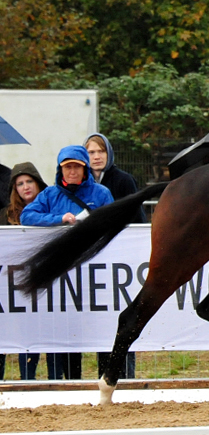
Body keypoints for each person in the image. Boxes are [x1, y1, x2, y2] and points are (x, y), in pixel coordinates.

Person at [21, 145, 114, 380]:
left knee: (102, 328)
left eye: (77, 167)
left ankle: (109, 379)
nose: (72, 171)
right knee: (66, 328)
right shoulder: (50, 195)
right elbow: (27, 216)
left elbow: (113, 222)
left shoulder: (101, 193)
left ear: (85, 169)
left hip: (95, 271)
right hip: (62, 274)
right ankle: (71, 381)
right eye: (67, 167)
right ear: (60, 169)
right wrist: (59, 219)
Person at [84, 133, 142, 378]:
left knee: (123, 318)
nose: (96, 157)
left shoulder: (123, 180)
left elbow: (138, 219)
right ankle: (104, 375)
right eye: (91, 152)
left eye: (100, 152)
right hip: (94, 261)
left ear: (109, 154)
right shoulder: (82, 182)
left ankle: (125, 376)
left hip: (121, 259)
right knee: (101, 321)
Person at [0, 162, 48, 379]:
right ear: (14, 188)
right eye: (20, 183)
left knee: (35, 334)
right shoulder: (4, 215)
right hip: (7, 287)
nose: (26, 187)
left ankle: (32, 379)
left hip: (38, 284)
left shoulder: (50, 211)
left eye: (29, 181)